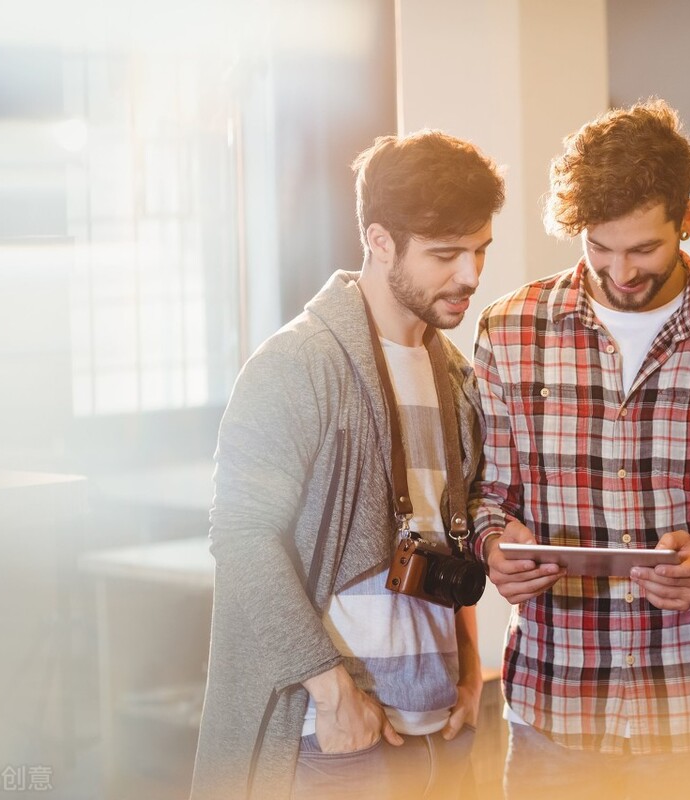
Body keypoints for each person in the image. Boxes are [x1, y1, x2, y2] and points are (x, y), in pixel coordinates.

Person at [468, 98, 690, 800]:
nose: (622, 270)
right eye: (599, 248)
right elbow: (487, 491)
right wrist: (493, 545)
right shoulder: (511, 329)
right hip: (555, 705)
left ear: (687, 220)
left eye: (644, 248)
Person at [189, 130, 505, 800]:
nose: (471, 276)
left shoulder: (456, 373)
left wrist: (471, 671)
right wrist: (332, 693)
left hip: (439, 729)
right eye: (446, 255)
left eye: (479, 251)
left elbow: (448, 532)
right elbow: (241, 538)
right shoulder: (297, 365)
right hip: (332, 738)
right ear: (379, 240)